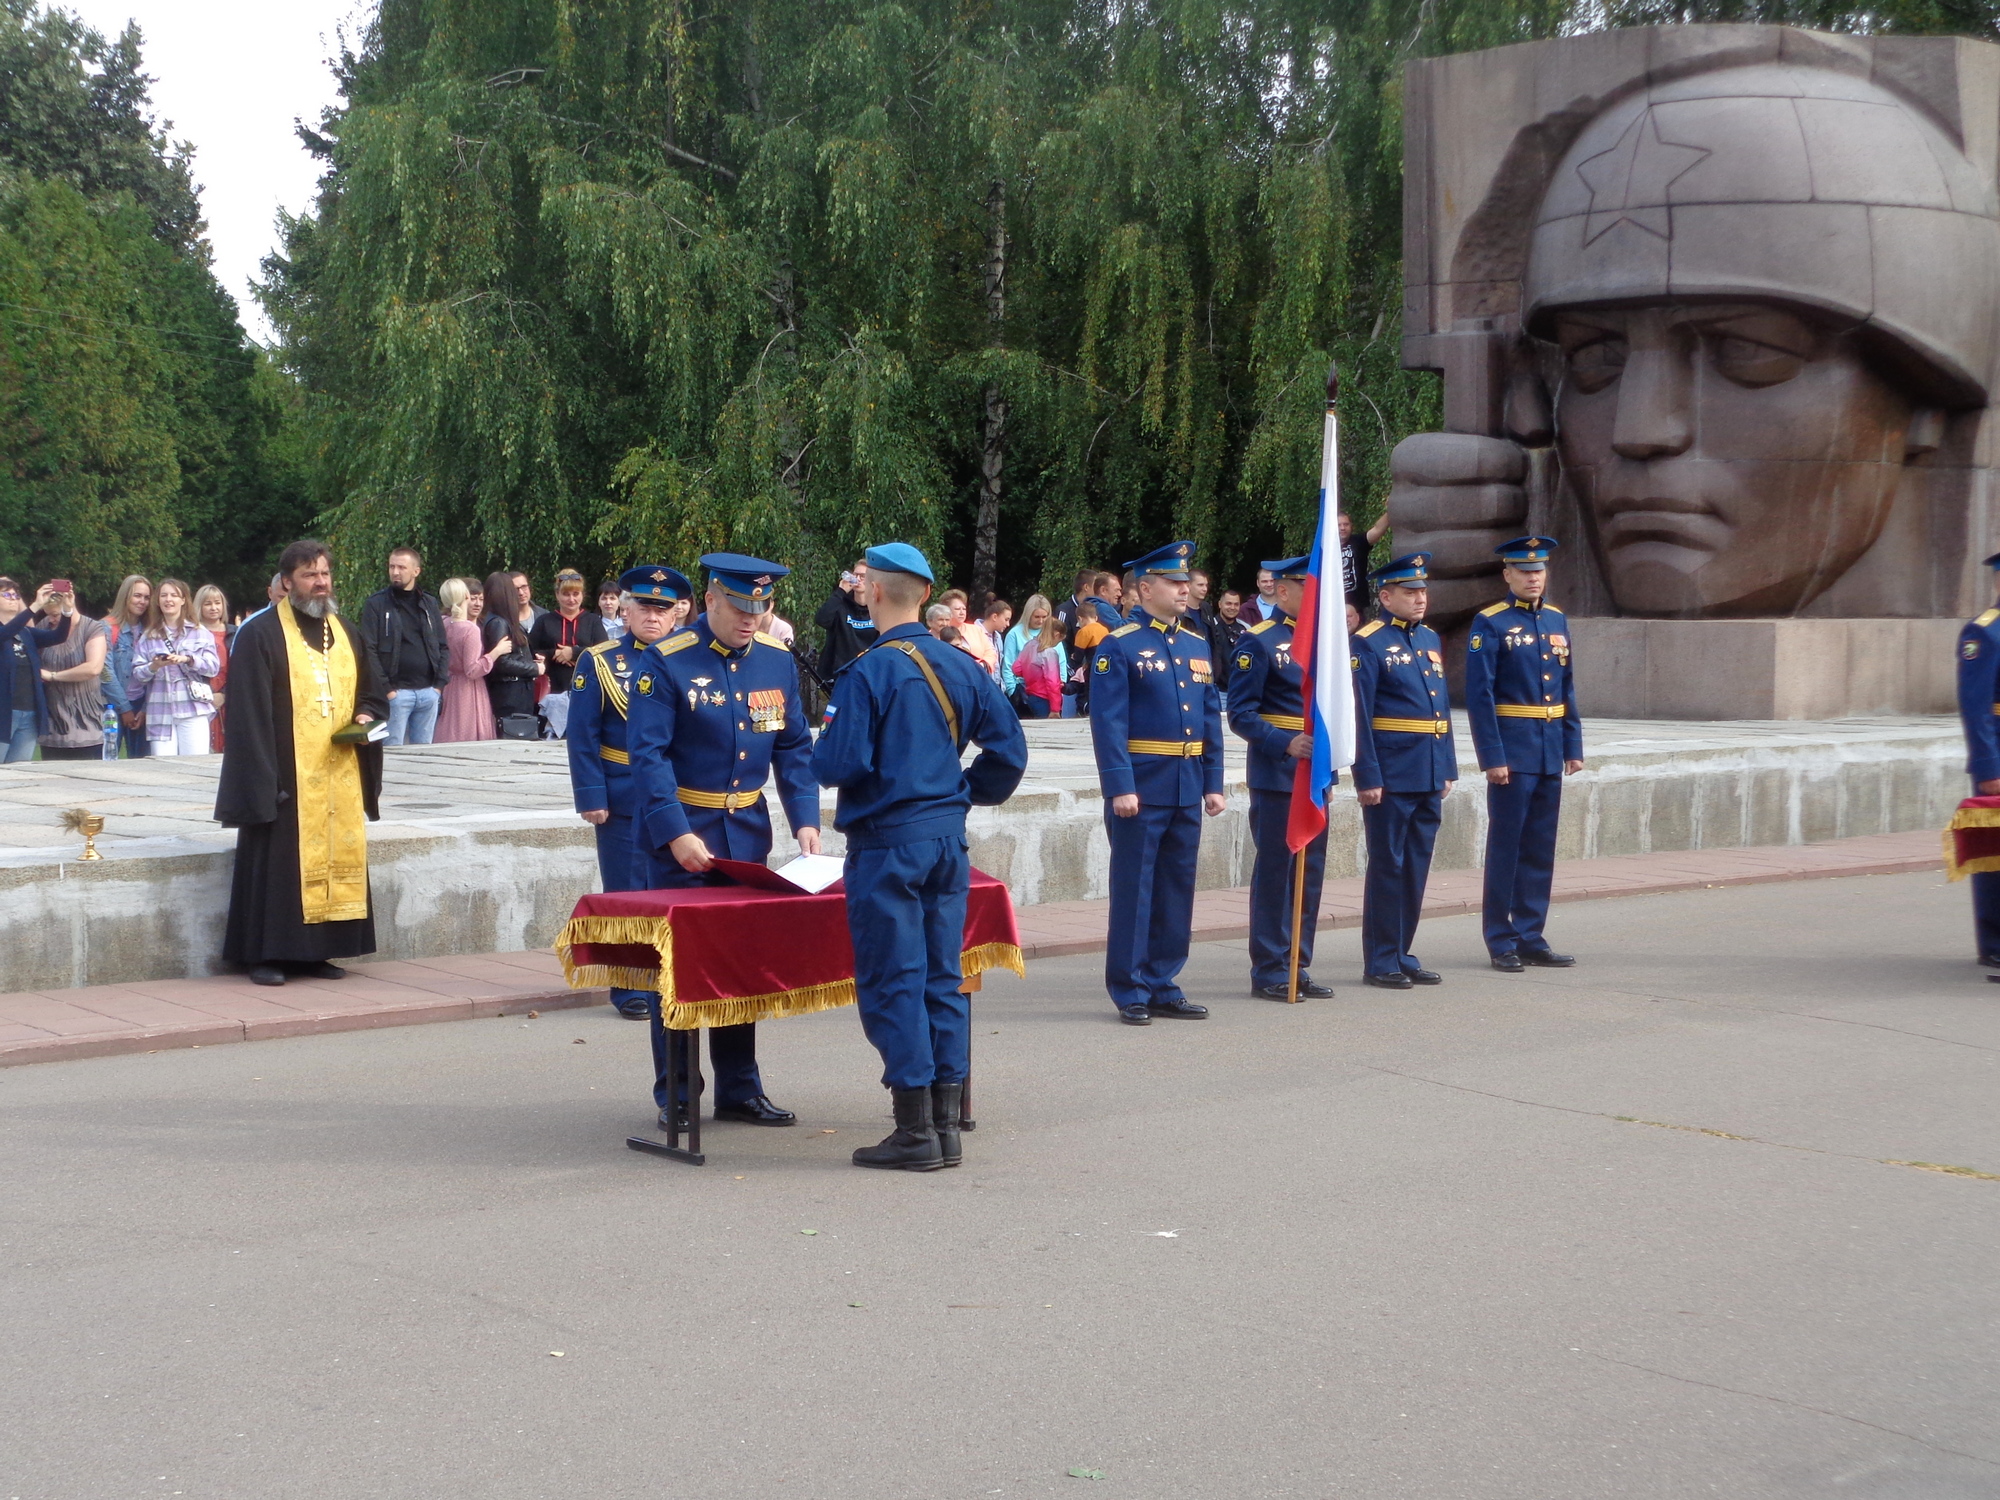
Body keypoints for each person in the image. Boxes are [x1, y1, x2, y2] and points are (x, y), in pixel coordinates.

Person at [813, 542, 1028, 1170]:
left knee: (892, 978)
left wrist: (814, 747)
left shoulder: (869, 672)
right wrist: (960, 794)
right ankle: (946, 1124)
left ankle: (913, 1133)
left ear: (873, 592)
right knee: (943, 975)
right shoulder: (961, 666)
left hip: (887, 843)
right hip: (946, 841)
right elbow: (1010, 753)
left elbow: (839, 763)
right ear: (927, 596)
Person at [628, 553, 822, 1129]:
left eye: (761, 607)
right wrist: (675, 830)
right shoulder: (666, 662)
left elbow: (792, 746)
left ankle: (740, 1088)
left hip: (746, 836)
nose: (751, 618)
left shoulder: (776, 662)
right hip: (683, 838)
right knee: (681, 969)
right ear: (710, 599)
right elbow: (649, 755)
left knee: (739, 967)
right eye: (740, 606)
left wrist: (805, 817)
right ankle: (679, 1092)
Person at [215, 540, 387, 987]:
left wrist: (366, 715)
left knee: (334, 860)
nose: (321, 582)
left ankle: (317, 952)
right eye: (311, 575)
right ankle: (266, 954)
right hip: (284, 773)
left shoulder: (346, 631)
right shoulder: (261, 634)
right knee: (277, 866)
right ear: (287, 582)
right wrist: (261, 779)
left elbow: (373, 689)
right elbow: (247, 714)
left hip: (340, 773)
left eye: (325, 573)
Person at [1088, 542, 1226, 1024]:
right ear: (1145, 588)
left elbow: (1211, 718)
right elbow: (1108, 723)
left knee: (1176, 887)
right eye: (1174, 582)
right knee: (1136, 887)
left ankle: (1164, 980)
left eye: (1186, 581)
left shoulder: (1195, 643)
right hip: (1142, 787)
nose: (1185, 589)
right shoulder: (1119, 644)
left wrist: (1214, 781)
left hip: (1187, 784)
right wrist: (1119, 785)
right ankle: (1130, 987)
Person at [568, 566, 690, 1023]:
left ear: (677, 612)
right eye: (644, 606)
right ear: (626, 608)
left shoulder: (690, 660)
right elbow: (582, 735)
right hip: (622, 795)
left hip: (679, 793)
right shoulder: (599, 661)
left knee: (674, 890)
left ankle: (672, 976)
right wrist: (591, 795)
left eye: (663, 608)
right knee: (627, 890)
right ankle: (629, 988)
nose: (652, 617)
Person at [1465, 537, 1583, 972]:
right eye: (1525, 571)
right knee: (1507, 847)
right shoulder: (1490, 624)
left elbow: (1566, 687)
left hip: (1550, 748)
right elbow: (1480, 696)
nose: (1534, 578)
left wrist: (1573, 745)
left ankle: (1531, 933)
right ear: (1507, 575)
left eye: (1539, 571)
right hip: (1513, 751)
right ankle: (1501, 938)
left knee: (1539, 847)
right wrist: (1492, 756)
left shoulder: (1556, 619)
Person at [1227, 556, 1335, 1000]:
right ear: (1284, 591)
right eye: (1309, 587)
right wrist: (1283, 741)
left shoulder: (1328, 644)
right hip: (1278, 774)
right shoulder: (1260, 642)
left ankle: (1297, 962)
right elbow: (1240, 714)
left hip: (1317, 775)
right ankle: (1271, 967)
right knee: (1277, 871)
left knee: (1310, 875)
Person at [1350, 553, 1459, 989]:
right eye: (1410, 592)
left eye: (1422, 591)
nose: (1419, 598)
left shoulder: (1430, 638)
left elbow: (1441, 708)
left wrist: (1447, 765)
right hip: (1392, 772)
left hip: (1429, 769)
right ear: (1385, 596)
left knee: (1415, 865)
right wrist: (1368, 776)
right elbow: (1361, 714)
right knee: (1388, 865)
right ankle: (1380, 958)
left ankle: (1401, 949)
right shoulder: (1368, 641)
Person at [1956, 551, 2000, 968]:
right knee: (1997, 853)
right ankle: (1996, 942)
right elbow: (1976, 705)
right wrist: (1989, 768)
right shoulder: (1986, 632)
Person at [361, 547, 449, 747]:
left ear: (416, 571)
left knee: (423, 755)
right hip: (396, 694)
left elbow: (442, 645)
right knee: (393, 753)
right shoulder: (377, 604)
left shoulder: (428, 603)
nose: (395, 572)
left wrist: (438, 686)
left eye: (401, 567)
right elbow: (369, 649)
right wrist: (388, 689)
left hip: (428, 692)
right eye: (392, 566)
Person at [129, 578, 220, 757]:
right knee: (164, 770)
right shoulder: (148, 636)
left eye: (174, 595)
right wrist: (154, 666)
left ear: (183, 600)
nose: (168, 600)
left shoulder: (200, 632)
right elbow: (138, 675)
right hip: (160, 712)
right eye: (163, 595)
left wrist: (188, 659)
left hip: (193, 709)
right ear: (158, 600)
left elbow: (213, 667)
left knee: (196, 766)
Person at [34, 583, 108, 761]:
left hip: (86, 719)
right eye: (48, 614)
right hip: (53, 722)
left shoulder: (92, 628)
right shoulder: (44, 626)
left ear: (70, 607)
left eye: (55, 615)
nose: (51, 619)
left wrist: (53, 676)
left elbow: (93, 668)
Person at [0, 579, 71, 760]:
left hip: (28, 713)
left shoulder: (25, 632)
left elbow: (58, 636)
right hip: (4, 713)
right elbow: (4, 634)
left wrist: (67, 610)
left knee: (20, 773)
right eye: (6, 595)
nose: (13, 599)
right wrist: (35, 606)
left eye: (16, 595)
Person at [434, 578, 506, 742]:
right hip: (468, 689)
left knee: (449, 729)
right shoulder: (469, 629)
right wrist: (496, 652)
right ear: (466, 596)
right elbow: (472, 670)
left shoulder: (442, 623)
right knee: (469, 731)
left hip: (448, 684)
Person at [529, 568, 609, 695]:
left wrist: (574, 653)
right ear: (557, 595)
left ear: (582, 595)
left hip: (589, 689)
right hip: (551, 690)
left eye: (576, 594)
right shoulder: (544, 621)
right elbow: (530, 652)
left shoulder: (593, 621)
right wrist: (555, 654)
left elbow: (605, 652)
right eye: (566, 594)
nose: (571, 599)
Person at [481, 570, 541, 734]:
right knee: (515, 736)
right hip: (510, 691)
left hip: (517, 689)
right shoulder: (499, 623)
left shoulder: (504, 620)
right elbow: (502, 662)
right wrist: (534, 669)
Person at [105, 575, 152, 758]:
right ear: (125, 596)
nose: (142, 602)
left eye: (146, 597)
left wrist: (145, 708)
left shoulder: (150, 630)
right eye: (137, 596)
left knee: (142, 763)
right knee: (108, 759)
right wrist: (124, 708)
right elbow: (104, 672)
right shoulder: (107, 627)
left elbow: (154, 673)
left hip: (141, 704)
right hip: (112, 705)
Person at [815, 558, 879, 682]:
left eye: (863, 576)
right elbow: (821, 619)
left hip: (868, 675)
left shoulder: (878, 608)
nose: (858, 579)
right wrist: (841, 591)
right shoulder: (841, 604)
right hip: (840, 676)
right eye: (855, 575)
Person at [194, 586, 233, 752]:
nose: (213, 608)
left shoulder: (235, 633)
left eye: (217, 603)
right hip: (201, 698)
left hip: (229, 696)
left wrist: (224, 695)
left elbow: (241, 669)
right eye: (208, 604)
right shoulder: (192, 633)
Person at [1011, 608, 1068, 719]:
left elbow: (1016, 668)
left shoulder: (1030, 645)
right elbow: (1052, 683)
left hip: (1030, 696)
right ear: (1056, 635)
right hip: (1044, 698)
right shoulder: (1049, 653)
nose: (1057, 644)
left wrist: (1031, 674)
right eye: (1060, 641)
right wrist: (1055, 709)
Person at [1003, 594, 1053, 710]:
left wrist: (1060, 686)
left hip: (1048, 690)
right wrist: (1012, 691)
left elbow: (1060, 661)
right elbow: (1008, 665)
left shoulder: (1051, 632)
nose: (1041, 621)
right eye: (1036, 617)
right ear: (1028, 615)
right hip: (1023, 690)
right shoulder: (1014, 634)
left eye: (1044, 617)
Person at [1339, 510, 1390, 614]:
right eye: (1339, 525)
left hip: (1358, 606)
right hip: (1333, 606)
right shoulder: (1324, 549)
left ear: (1351, 526)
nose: (1342, 528)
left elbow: (1378, 529)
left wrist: (1390, 509)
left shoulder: (1358, 541)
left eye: (1346, 524)